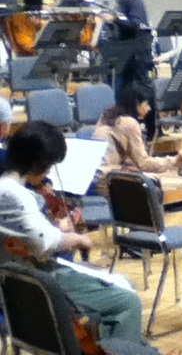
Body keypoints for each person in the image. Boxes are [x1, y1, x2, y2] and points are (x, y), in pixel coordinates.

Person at [0, 121, 146, 342]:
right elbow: (45, 243)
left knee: (115, 286)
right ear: (38, 164)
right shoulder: (12, 193)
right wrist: (76, 238)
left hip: (18, 280)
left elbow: (27, 235)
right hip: (32, 285)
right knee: (127, 301)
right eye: (49, 166)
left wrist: (57, 229)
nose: (49, 172)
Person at [94, 84, 182, 176]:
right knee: (153, 181)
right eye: (146, 104)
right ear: (136, 103)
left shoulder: (106, 115)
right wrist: (175, 160)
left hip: (95, 174)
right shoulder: (129, 123)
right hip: (108, 177)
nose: (149, 109)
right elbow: (143, 163)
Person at [102, 0, 153, 101]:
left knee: (141, 87)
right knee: (128, 88)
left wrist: (114, 19)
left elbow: (136, 25)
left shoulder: (133, 0)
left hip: (138, 51)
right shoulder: (122, 0)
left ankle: (147, 112)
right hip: (128, 51)